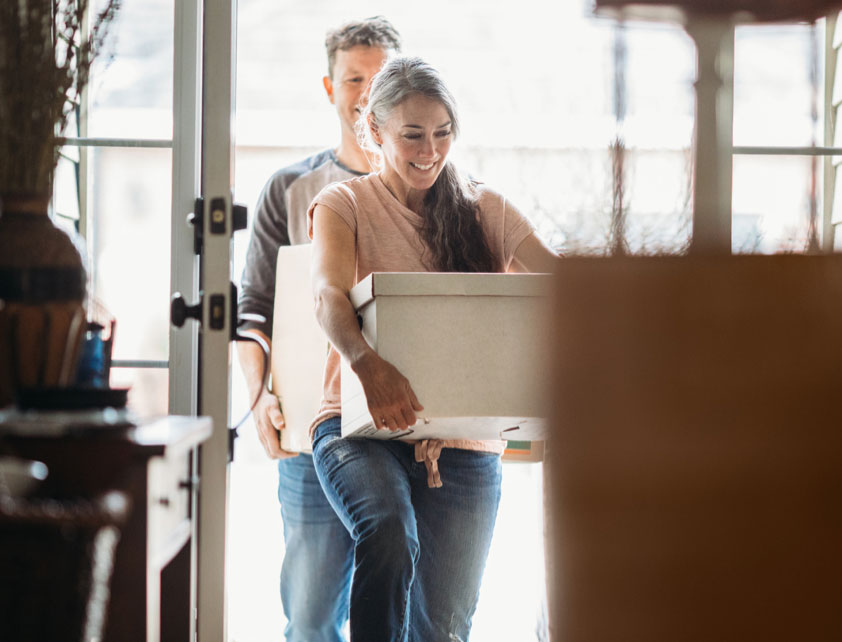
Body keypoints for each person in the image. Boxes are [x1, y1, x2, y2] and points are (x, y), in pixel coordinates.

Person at [307, 56, 558, 641]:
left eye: (443, 133)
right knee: (388, 531)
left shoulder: (484, 208)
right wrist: (367, 365)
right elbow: (326, 296)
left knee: (443, 629)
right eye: (412, 134)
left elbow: (563, 286)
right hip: (357, 428)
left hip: (464, 442)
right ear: (375, 131)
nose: (430, 149)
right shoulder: (345, 204)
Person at [236, 17, 402, 642]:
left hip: (406, 433)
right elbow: (253, 312)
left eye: (380, 76)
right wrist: (260, 400)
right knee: (309, 620)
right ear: (329, 88)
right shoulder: (288, 190)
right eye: (353, 77)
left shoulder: (429, 190)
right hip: (312, 434)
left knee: (398, 616)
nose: (366, 90)